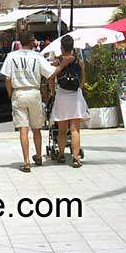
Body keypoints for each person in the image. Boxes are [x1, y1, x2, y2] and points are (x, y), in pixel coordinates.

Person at [0, 31, 73, 173]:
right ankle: (38, 156)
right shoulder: (37, 56)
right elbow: (51, 73)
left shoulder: (11, 56)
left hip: (19, 92)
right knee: (36, 128)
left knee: (23, 129)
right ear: (32, 42)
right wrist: (63, 64)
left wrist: (10, 93)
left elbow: (7, 78)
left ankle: (26, 162)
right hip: (34, 92)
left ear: (20, 42)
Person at [49, 35, 90, 168]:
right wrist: (79, 89)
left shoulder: (58, 61)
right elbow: (83, 79)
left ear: (61, 47)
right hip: (75, 97)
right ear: (72, 47)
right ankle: (76, 158)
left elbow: (51, 77)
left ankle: (61, 155)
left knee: (62, 130)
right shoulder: (79, 61)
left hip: (62, 96)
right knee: (75, 129)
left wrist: (53, 92)